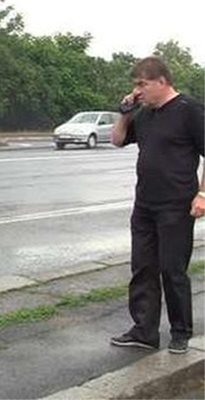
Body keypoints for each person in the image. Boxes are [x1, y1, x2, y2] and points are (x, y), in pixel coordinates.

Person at [110, 56, 204, 354]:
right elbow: (117, 140)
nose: (138, 91)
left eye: (142, 84)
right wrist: (125, 113)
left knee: (172, 270)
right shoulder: (144, 114)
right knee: (143, 267)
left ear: (162, 81)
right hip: (145, 205)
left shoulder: (189, 110)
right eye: (135, 85)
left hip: (176, 205)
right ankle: (144, 331)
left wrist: (202, 195)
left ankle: (180, 333)